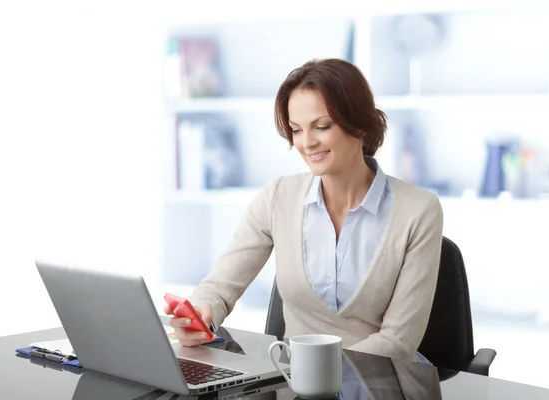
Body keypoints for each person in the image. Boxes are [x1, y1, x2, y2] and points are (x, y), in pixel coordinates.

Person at [166, 58, 443, 363]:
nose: (307, 143)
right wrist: (201, 312)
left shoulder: (419, 210)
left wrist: (314, 369)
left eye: (322, 126)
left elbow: (398, 342)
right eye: (296, 130)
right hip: (295, 385)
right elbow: (218, 288)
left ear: (360, 124)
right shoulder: (277, 197)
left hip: (380, 384)